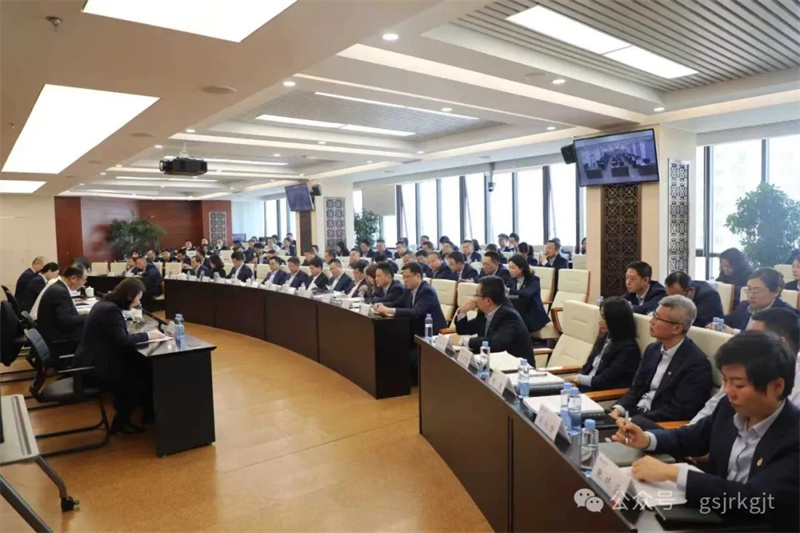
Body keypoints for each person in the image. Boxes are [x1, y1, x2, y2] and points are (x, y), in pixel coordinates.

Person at [612, 331, 799, 532]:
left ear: (777, 387)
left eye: (738, 384)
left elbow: (755, 499)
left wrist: (673, 473)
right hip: (712, 513)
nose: (728, 391)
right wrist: (647, 439)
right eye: (725, 381)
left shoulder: (793, 435)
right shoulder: (729, 408)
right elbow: (692, 437)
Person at [74, 278, 166, 434]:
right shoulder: (110, 310)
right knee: (140, 377)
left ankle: (145, 414)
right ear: (129, 296)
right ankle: (121, 422)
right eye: (137, 299)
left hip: (93, 357)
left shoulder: (105, 303)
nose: (138, 303)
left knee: (142, 365)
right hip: (95, 366)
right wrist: (149, 335)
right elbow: (122, 340)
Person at [609, 295, 713, 429]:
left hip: (656, 426)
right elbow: (636, 389)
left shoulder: (696, 364)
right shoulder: (652, 350)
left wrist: (633, 420)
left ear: (677, 329)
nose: (651, 321)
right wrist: (618, 410)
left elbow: (678, 410)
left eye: (657, 318)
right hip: (633, 416)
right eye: (654, 315)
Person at [692, 307, 800, 425]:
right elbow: (711, 408)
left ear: (781, 343)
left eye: (754, 338)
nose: (729, 392)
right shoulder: (739, 372)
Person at [374, 262, 447, 379]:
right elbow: (397, 303)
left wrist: (390, 310)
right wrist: (380, 305)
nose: (405, 281)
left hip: (430, 334)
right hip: (413, 331)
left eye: (407, 277)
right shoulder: (409, 291)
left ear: (418, 276)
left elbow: (416, 312)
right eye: (403, 277)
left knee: (403, 353)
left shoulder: (427, 291)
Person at [452, 276, 534, 361]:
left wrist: (464, 341)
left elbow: (495, 343)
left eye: (476, 295)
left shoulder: (509, 316)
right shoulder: (485, 311)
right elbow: (463, 330)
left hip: (515, 365)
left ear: (488, 301)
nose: (474, 299)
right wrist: (462, 311)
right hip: (491, 360)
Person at [571, 297, 640, 392]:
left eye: (604, 318)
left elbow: (604, 381)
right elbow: (588, 366)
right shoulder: (605, 337)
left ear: (616, 320)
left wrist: (577, 378)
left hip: (598, 393)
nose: (600, 321)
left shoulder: (628, 349)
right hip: (583, 387)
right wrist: (575, 381)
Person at [719, 268, 799, 332]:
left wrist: (734, 333)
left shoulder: (787, 316)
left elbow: (771, 342)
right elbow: (724, 322)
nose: (751, 295)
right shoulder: (743, 306)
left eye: (756, 291)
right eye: (749, 289)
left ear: (776, 292)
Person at [37, 263, 88, 353]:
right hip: (57, 339)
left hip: (52, 332)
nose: (84, 284)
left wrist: (82, 313)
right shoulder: (59, 292)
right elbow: (66, 321)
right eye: (84, 280)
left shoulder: (59, 287)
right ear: (73, 278)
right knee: (95, 333)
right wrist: (89, 316)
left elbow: (64, 315)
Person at [506, 255, 549, 333]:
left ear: (521, 268)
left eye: (513, 268)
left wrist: (508, 290)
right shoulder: (512, 280)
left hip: (532, 316)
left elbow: (527, 293)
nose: (510, 271)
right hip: (519, 313)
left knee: (511, 326)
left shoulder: (534, 280)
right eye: (509, 268)